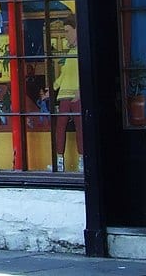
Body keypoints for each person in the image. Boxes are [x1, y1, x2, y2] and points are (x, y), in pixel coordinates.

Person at [53, 14, 83, 172]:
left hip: (76, 94)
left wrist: (81, 90)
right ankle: (59, 160)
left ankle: (82, 160)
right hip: (64, 94)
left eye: (68, 31)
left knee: (80, 127)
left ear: (77, 30)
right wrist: (53, 87)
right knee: (60, 127)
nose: (66, 35)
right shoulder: (70, 52)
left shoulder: (81, 52)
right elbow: (64, 73)